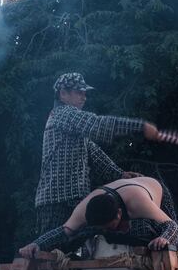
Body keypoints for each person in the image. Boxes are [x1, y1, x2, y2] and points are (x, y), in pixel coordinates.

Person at [34, 72, 160, 235]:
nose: (84, 97)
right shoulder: (62, 115)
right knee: (51, 250)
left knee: (75, 250)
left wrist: (120, 175)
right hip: (56, 201)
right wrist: (139, 127)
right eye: (79, 92)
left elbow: (96, 155)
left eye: (84, 93)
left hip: (74, 200)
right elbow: (98, 124)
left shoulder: (73, 127)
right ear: (63, 94)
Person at [20, 176, 178, 257]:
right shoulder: (82, 210)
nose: (109, 229)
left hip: (153, 189)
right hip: (116, 199)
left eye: (111, 225)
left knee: (171, 240)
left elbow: (172, 226)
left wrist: (165, 239)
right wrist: (37, 244)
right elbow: (64, 231)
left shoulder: (138, 203)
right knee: (80, 235)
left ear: (119, 214)